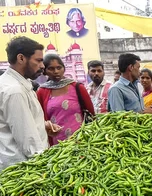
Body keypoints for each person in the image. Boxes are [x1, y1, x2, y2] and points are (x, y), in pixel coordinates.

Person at [0, 37, 60, 170]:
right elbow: (28, 141)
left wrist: (42, 126)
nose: (42, 66)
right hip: (22, 168)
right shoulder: (14, 90)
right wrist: (46, 168)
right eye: (38, 61)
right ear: (21, 58)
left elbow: (13, 124)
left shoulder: (14, 84)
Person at [37, 54, 95, 146]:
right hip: (56, 143)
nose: (56, 71)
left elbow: (91, 114)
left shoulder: (77, 87)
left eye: (59, 68)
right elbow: (40, 118)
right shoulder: (42, 92)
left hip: (81, 140)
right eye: (51, 69)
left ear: (64, 68)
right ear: (44, 71)